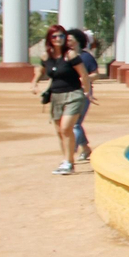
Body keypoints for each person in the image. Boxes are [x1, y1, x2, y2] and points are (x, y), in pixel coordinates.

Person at [31, 25, 92, 175]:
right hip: (56, 96)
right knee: (60, 131)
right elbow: (40, 69)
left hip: (73, 95)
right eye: (54, 36)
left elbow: (83, 74)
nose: (58, 39)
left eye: (61, 36)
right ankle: (67, 160)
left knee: (66, 128)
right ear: (49, 39)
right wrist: (35, 82)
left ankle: (69, 163)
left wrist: (87, 92)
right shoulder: (47, 56)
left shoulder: (70, 55)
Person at [67, 28, 98, 162]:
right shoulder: (66, 56)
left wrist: (84, 79)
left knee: (75, 124)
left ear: (78, 41)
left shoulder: (86, 57)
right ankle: (85, 148)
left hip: (83, 91)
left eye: (70, 40)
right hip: (68, 91)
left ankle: (70, 152)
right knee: (73, 123)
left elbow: (95, 74)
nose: (68, 43)